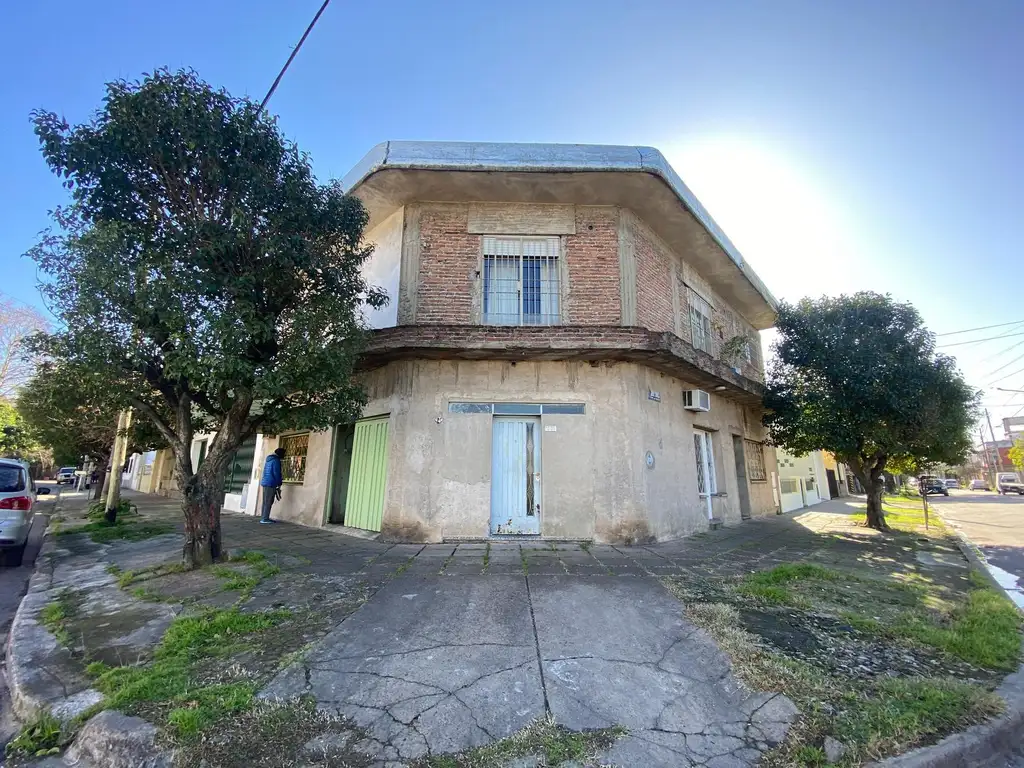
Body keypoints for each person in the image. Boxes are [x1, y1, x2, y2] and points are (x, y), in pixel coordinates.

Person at [259, 448, 286, 524]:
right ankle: (265, 518)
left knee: (265, 501)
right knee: (269, 501)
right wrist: (279, 482)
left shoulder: (269, 459)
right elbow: (276, 473)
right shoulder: (276, 460)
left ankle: (263, 517)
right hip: (271, 483)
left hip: (265, 482)